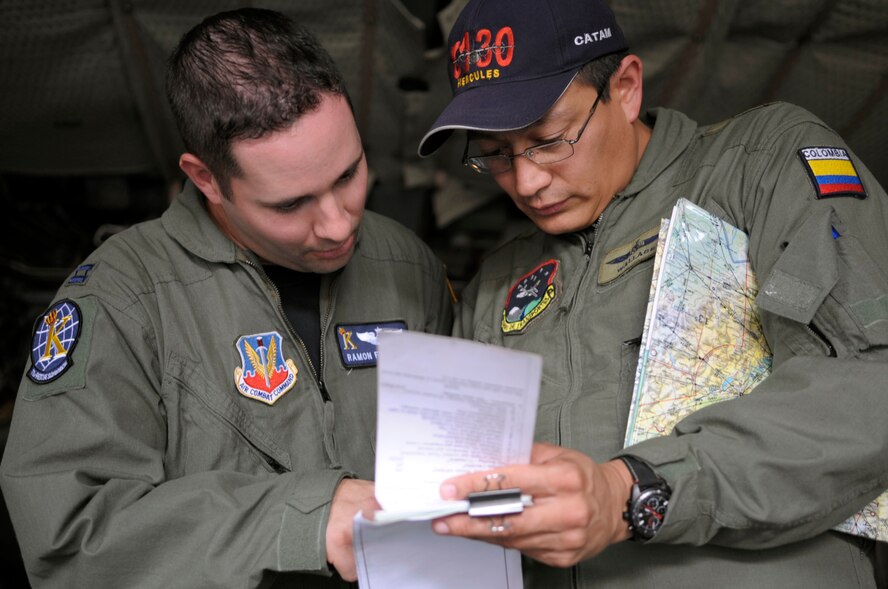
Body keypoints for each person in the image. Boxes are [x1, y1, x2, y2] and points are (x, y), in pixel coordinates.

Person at [418, 0, 888, 587]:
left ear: (627, 88)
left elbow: (869, 376)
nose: (527, 181)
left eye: (549, 140)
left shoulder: (756, 166)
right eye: (494, 153)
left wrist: (634, 489)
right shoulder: (498, 282)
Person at [0, 8, 453, 588]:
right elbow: (71, 540)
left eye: (349, 174)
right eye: (291, 205)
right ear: (207, 179)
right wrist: (306, 519)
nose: (339, 225)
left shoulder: (406, 263)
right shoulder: (122, 301)